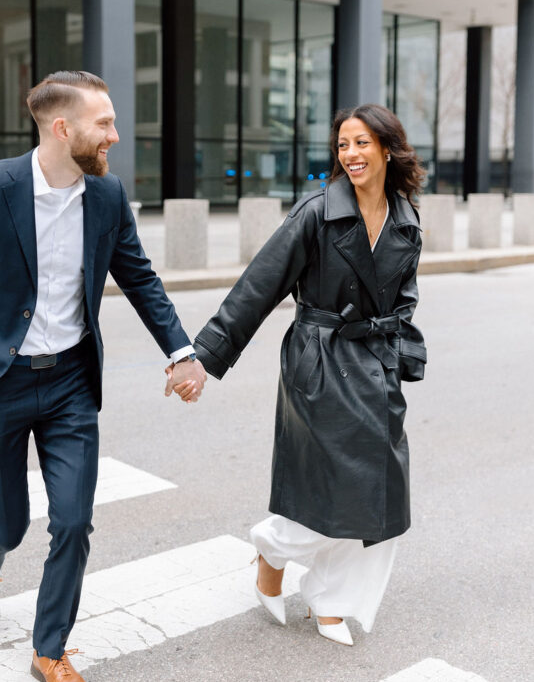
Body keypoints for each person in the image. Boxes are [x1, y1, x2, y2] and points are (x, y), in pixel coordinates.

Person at [0, 71, 206, 682]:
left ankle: (51, 649)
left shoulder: (105, 196)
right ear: (62, 129)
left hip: (73, 379)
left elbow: (139, 277)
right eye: (103, 123)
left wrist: (181, 351)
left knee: (74, 520)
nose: (113, 135)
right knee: (8, 522)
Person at [181, 104, 427, 645]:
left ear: (387, 149)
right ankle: (272, 549)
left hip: (375, 364)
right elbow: (258, 286)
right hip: (319, 362)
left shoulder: (405, 219)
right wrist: (204, 356)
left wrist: (401, 349)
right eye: (343, 144)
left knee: (383, 494)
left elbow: (405, 297)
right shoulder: (317, 212)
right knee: (327, 487)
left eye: (361, 143)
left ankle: (332, 602)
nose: (351, 154)